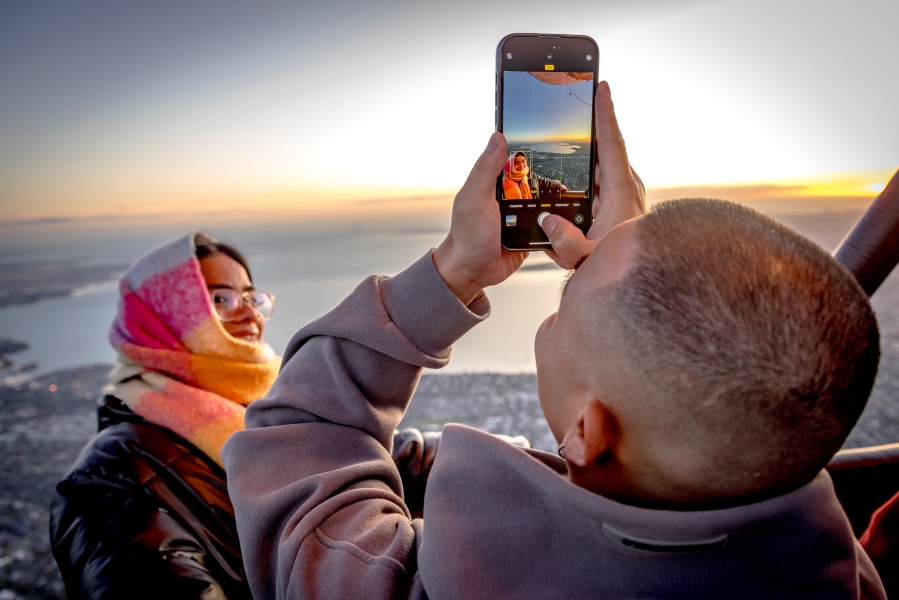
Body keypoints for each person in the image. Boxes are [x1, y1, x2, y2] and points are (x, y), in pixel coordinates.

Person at [222, 82, 886, 599]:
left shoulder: (397, 585)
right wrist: (640, 264)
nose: (566, 269)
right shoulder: (843, 577)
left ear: (584, 429)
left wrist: (454, 268)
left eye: (564, 301)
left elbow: (303, 429)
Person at [49, 232, 281, 599]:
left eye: (253, 297)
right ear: (162, 317)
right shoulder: (112, 481)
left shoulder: (268, 418)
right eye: (221, 299)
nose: (251, 314)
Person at [502, 150, 567, 200]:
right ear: (511, 165)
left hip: (532, 209)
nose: (521, 165)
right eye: (517, 163)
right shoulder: (503, 182)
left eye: (523, 161)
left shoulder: (531, 176)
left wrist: (559, 185)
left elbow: (544, 182)